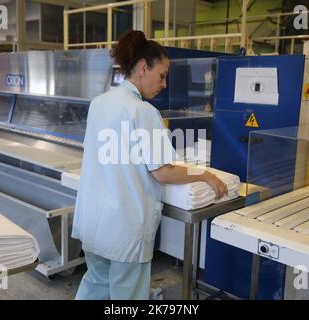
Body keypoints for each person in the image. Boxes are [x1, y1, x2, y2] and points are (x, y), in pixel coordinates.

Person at [71, 30, 227, 300]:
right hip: (123, 228)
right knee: (127, 296)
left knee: (96, 284)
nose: (164, 84)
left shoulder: (100, 103)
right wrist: (204, 174)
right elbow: (163, 172)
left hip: (93, 222)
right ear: (143, 68)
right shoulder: (142, 111)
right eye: (162, 75)